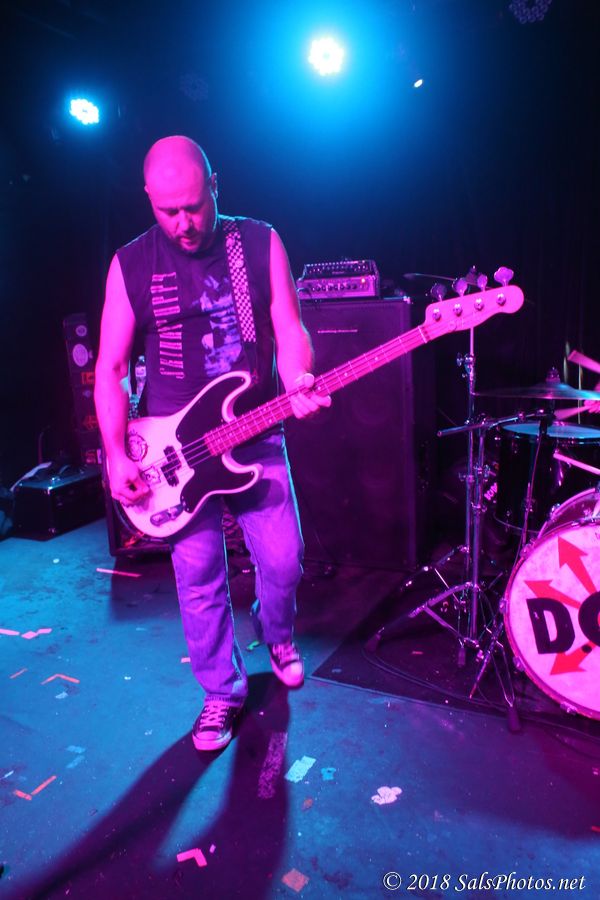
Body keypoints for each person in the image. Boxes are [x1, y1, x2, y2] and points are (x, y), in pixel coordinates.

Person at [94, 135, 331, 752]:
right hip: (173, 452)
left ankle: (276, 632)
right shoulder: (130, 263)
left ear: (215, 186)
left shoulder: (258, 241)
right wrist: (116, 453)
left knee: (284, 561)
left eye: (194, 206)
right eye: (168, 211)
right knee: (199, 576)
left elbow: (289, 328)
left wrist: (298, 378)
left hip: (254, 429)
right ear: (148, 198)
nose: (184, 223)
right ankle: (222, 692)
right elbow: (111, 367)